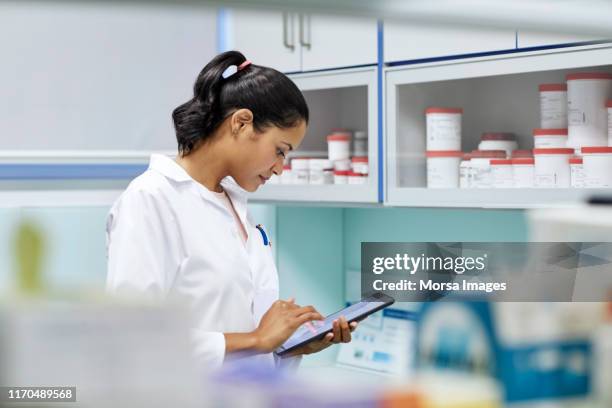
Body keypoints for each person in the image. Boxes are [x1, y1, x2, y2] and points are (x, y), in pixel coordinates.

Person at [106, 50, 357, 370]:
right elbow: (132, 338)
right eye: (280, 151)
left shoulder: (234, 203)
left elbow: (244, 331)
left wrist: (289, 345)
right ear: (241, 122)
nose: (280, 168)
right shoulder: (151, 200)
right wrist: (257, 339)